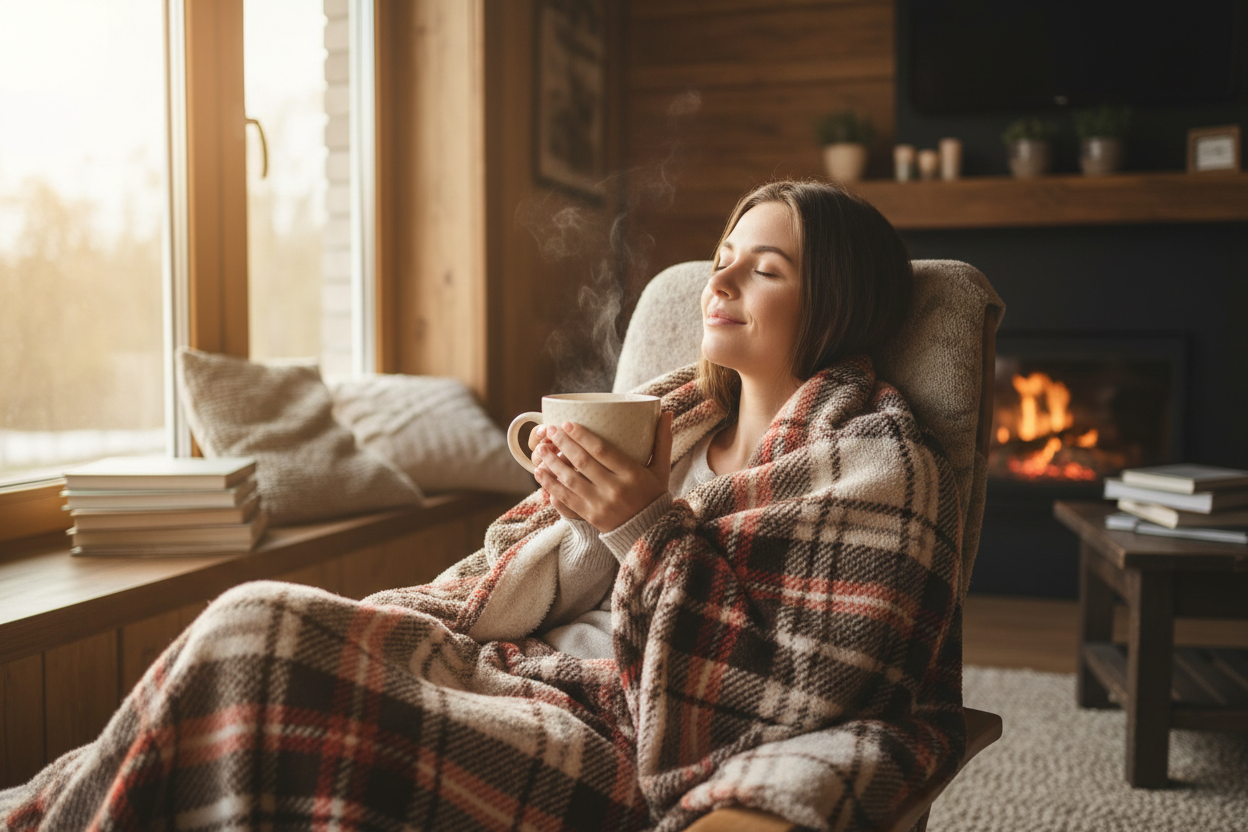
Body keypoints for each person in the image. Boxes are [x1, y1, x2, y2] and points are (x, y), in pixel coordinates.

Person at [1, 180, 965, 832]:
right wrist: (568, 507)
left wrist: (641, 525)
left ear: (832, 299)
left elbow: (803, 694)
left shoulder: (875, 465)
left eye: (766, 267)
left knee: (260, 635)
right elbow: (514, 567)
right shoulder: (669, 416)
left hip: (606, 733)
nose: (719, 278)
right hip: (500, 666)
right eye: (724, 252)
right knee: (249, 632)